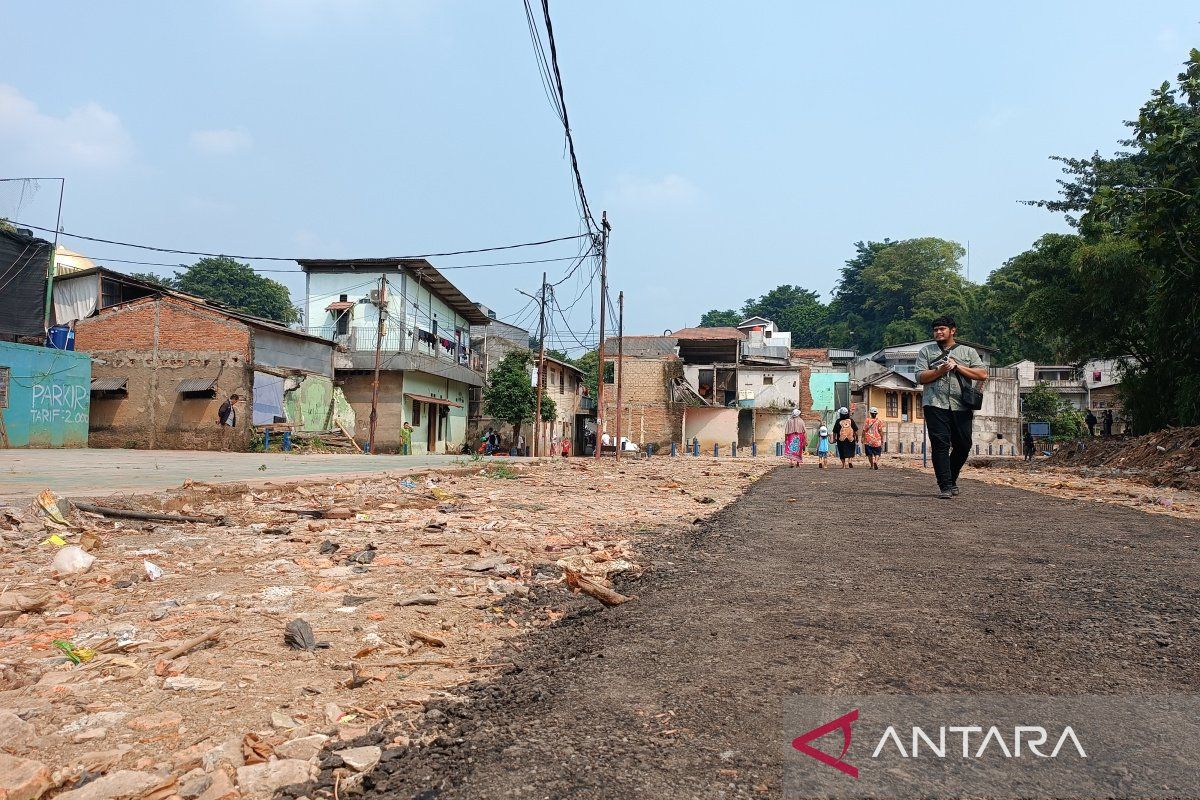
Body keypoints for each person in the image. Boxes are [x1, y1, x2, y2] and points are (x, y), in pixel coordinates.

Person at [915, 315, 988, 499]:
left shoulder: (968, 352)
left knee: (964, 445)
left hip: (961, 405)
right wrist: (939, 371)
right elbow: (920, 377)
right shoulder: (926, 351)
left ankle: (951, 478)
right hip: (934, 403)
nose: (938, 332)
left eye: (942, 329)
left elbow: (982, 374)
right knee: (940, 445)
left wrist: (957, 367)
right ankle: (945, 486)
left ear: (952, 330)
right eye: (935, 329)